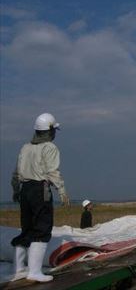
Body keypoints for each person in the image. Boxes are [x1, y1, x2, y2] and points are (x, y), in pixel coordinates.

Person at [11, 113, 70, 283]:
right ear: (50, 131)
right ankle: (34, 271)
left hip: (25, 190)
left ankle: (20, 268)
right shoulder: (49, 148)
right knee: (42, 228)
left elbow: (15, 173)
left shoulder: (25, 147)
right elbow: (52, 172)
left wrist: (16, 190)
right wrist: (62, 190)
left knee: (27, 228)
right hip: (40, 190)